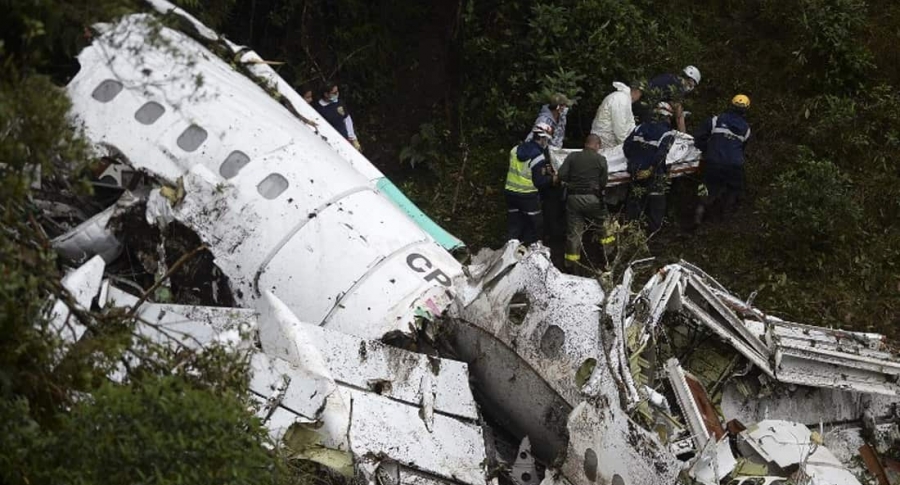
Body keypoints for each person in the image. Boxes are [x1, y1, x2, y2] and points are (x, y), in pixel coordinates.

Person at [693, 94, 752, 225]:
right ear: (746, 109)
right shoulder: (746, 129)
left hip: (713, 161)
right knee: (735, 189)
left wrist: (706, 150)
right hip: (734, 165)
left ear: (731, 105)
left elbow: (698, 137)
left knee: (706, 186)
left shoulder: (715, 120)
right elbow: (742, 148)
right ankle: (726, 218)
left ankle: (700, 209)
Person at [557, 134, 612, 271]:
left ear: (585, 144)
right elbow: (603, 182)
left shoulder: (572, 157)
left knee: (574, 233)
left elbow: (561, 175)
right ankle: (607, 259)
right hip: (593, 199)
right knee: (605, 228)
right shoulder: (600, 159)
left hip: (574, 199)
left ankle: (571, 266)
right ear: (597, 145)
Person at [623, 102, 678, 233]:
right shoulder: (667, 134)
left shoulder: (640, 128)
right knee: (656, 203)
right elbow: (660, 155)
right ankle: (652, 234)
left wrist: (634, 162)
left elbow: (626, 147)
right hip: (654, 174)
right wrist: (650, 169)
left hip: (636, 171)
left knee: (635, 201)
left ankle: (631, 231)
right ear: (667, 117)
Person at [505, 123, 556, 245]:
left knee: (515, 225)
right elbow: (539, 182)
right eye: (547, 140)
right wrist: (552, 179)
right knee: (534, 226)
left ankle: (510, 254)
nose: (547, 143)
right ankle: (529, 254)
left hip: (510, 193)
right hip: (527, 196)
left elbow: (522, 170)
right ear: (542, 138)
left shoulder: (515, 149)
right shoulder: (538, 157)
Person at [637, 66, 701, 132]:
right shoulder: (677, 87)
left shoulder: (669, 77)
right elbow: (679, 116)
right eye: (693, 84)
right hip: (647, 109)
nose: (692, 87)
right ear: (691, 80)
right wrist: (683, 136)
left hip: (640, 102)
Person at [313, 81, 362, 151]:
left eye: (337, 91)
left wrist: (353, 138)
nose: (337, 94)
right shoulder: (319, 108)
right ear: (326, 94)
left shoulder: (339, 103)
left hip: (345, 139)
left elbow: (347, 118)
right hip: (332, 143)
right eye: (334, 93)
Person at [591, 82, 643, 148]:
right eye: (640, 95)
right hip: (605, 141)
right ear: (637, 92)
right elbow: (619, 127)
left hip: (608, 139)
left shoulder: (624, 99)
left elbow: (630, 123)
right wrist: (627, 145)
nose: (638, 98)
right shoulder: (621, 99)